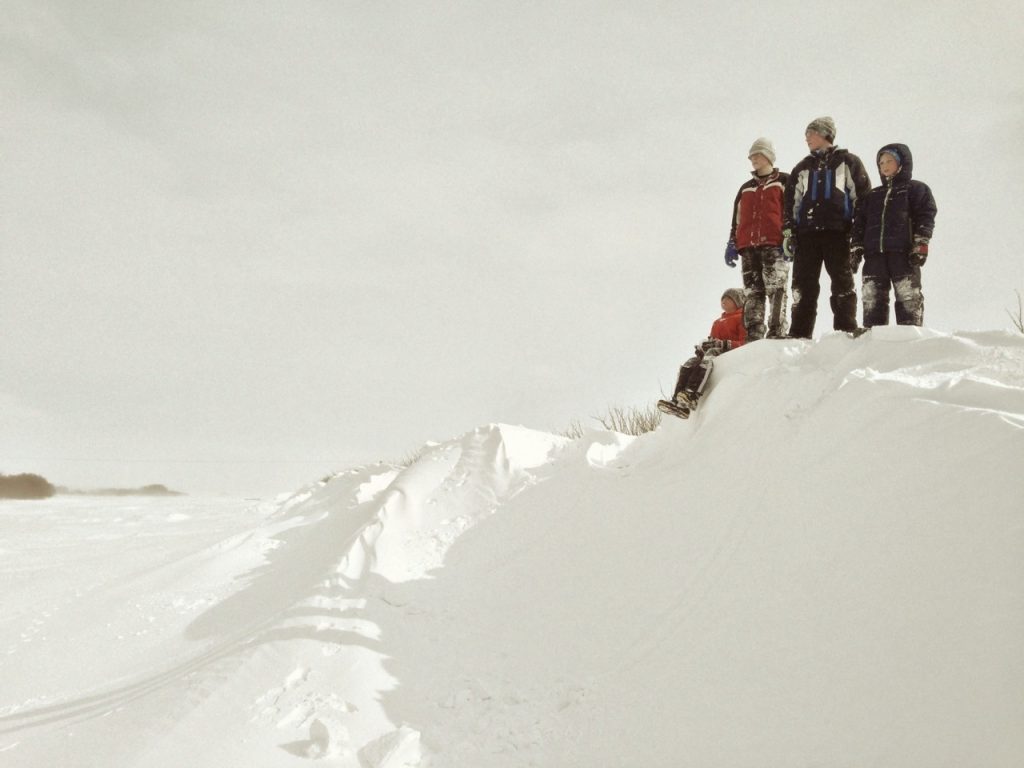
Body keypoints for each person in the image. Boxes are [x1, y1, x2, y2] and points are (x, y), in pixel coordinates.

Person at [782, 116, 872, 337]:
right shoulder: (802, 167)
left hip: (838, 233)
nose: (806, 138)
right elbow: (790, 202)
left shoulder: (848, 161)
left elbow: (862, 198)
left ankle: (845, 329)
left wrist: (857, 235)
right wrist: (789, 231)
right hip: (807, 235)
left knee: (842, 282)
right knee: (802, 286)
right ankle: (799, 334)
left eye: (810, 133)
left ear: (825, 134)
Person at [850, 143, 937, 327]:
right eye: (881, 162)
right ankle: (873, 339)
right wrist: (856, 248)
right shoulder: (872, 196)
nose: (885, 165)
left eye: (889, 160)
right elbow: (859, 224)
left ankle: (909, 338)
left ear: (902, 163)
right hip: (874, 256)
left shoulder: (915, 189)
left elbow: (926, 216)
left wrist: (921, 244)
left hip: (903, 254)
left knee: (908, 297)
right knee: (872, 297)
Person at [725, 138, 791, 340]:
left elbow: (790, 211)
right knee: (753, 292)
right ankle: (753, 333)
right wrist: (732, 242)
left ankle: (777, 330)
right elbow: (737, 218)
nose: (753, 159)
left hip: (774, 244)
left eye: (758, 155)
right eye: (751, 156)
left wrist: (790, 236)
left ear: (768, 156)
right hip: (748, 247)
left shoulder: (784, 181)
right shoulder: (745, 188)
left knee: (776, 288)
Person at [657, 288, 747, 419]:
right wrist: (702, 347)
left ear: (737, 302)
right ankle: (677, 400)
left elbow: (745, 341)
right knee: (691, 362)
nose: (724, 302)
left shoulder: (741, 318)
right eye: (723, 299)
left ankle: (692, 395)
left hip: (725, 352)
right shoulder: (717, 322)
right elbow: (712, 339)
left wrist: (723, 344)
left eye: (728, 299)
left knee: (709, 356)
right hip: (713, 351)